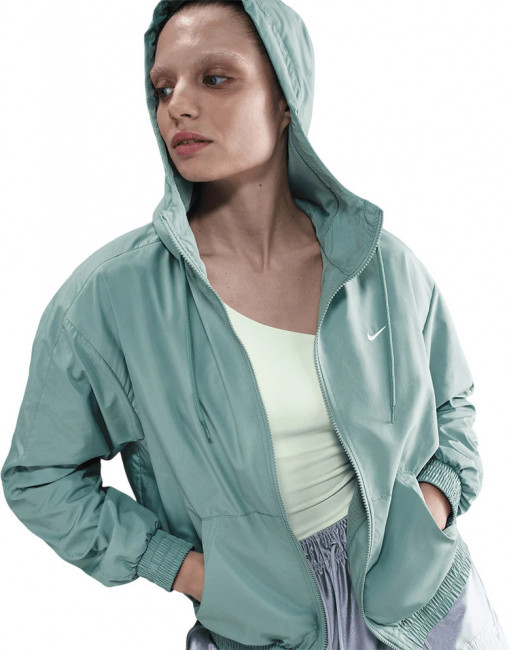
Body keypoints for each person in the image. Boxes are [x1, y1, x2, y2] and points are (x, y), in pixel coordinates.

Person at [1, 1, 508, 649]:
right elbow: (39, 476)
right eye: (163, 88)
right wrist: (186, 570)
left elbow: (452, 403)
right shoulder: (106, 301)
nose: (179, 106)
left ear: (284, 99)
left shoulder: (378, 264)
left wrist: (430, 505)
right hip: (260, 628)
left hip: (426, 608)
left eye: (215, 78)